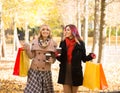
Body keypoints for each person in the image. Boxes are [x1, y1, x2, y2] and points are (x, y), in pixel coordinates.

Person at [56, 24, 96, 93]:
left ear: (73, 31)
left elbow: (83, 58)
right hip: (65, 70)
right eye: (65, 30)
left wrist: (90, 56)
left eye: (68, 30)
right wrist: (57, 55)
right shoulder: (62, 43)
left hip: (76, 71)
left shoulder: (80, 43)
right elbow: (61, 59)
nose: (66, 31)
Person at [23, 24, 57, 93]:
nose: (45, 31)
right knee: (31, 91)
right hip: (34, 70)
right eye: (43, 29)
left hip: (46, 71)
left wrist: (52, 60)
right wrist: (27, 49)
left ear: (50, 32)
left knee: (45, 91)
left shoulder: (53, 43)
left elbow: (54, 57)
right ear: (40, 31)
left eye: (47, 30)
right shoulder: (34, 41)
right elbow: (31, 56)